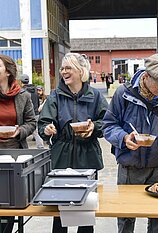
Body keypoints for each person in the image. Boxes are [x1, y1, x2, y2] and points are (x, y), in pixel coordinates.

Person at [102, 53, 158, 233]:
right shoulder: (123, 94)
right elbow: (108, 125)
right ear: (146, 76)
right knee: (126, 217)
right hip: (129, 167)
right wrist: (124, 138)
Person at [38, 52, 108, 233]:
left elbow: (107, 122)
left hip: (88, 156)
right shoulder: (55, 96)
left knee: (86, 210)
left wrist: (94, 128)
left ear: (81, 71)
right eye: (62, 68)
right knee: (60, 211)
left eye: (68, 67)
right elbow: (44, 122)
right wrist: (47, 129)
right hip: (62, 156)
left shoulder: (96, 96)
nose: (63, 71)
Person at [0, 54, 36, 233]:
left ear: (7, 72)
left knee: (11, 204)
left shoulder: (23, 96)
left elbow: (31, 122)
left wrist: (19, 131)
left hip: (15, 156)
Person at [19, 74, 44, 149]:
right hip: (36, 113)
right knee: (35, 131)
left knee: (34, 132)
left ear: (21, 82)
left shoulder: (23, 92)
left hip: (28, 115)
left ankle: (41, 147)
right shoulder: (35, 90)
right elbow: (38, 102)